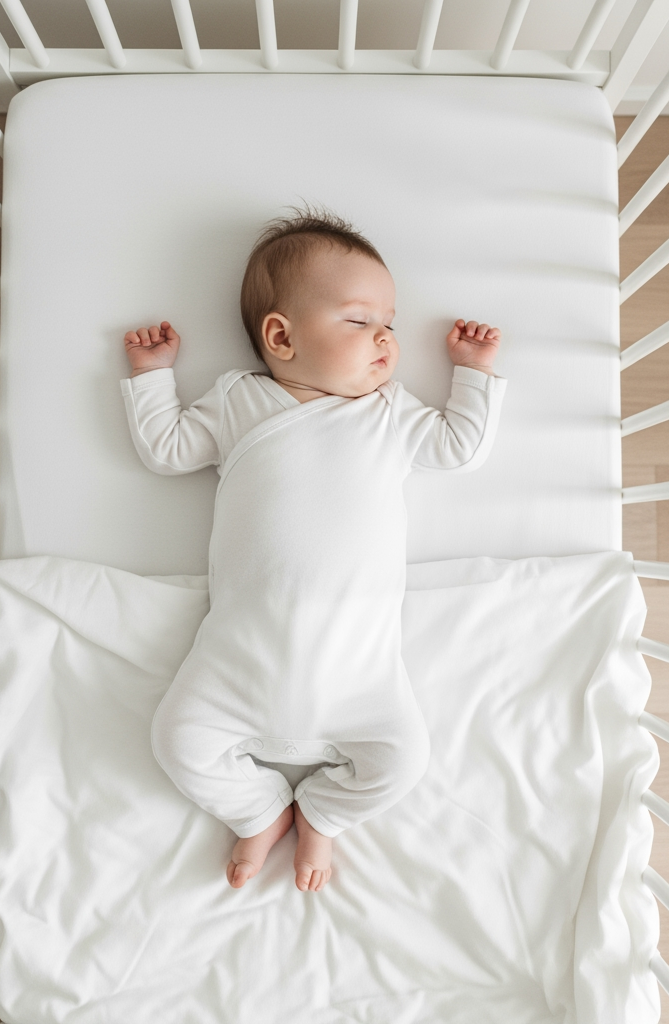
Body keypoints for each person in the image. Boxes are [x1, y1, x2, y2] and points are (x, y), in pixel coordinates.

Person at [120, 209, 506, 893]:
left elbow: (458, 448)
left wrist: (472, 373)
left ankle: (324, 816)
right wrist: (153, 377)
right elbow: (168, 450)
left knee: (403, 760)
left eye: (389, 323)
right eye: (360, 322)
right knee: (176, 742)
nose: (386, 339)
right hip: (236, 668)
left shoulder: (390, 413)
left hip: (363, 678)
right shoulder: (239, 402)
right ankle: (258, 812)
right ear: (281, 335)